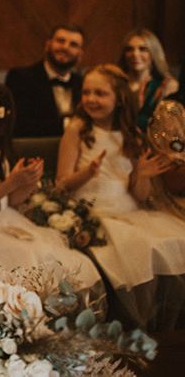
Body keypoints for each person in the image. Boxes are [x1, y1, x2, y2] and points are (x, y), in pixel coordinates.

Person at [0, 82, 103, 296]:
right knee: (23, 259)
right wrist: (11, 182)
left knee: (52, 255)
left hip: (2, 218)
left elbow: (11, 201)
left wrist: (29, 182)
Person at [56, 64, 185, 330]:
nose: (91, 99)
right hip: (95, 213)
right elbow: (61, 185)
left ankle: (166, 332)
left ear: (119, 100)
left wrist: (144, 175)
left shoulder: (133, 136)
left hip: (132, 213)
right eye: (87, 92)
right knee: (140, 248)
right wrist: (86, 173)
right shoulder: (78, 129)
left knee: (172, 241)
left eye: (100, 93)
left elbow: (139, 196)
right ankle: (134, 328)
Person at [5, 24, 85, 137]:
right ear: (48, 45)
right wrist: (67, 125)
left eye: (73, 44)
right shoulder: (20, 78)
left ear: (80, 54)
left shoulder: (83, 83)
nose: (65, 47)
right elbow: (19, 124)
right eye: (60, 41)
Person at [118, 28, 179, 131]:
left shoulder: (166, 85)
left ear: (153, 53)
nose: (135, 54)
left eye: (143, 49)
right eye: (129, 49)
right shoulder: (115, 82)